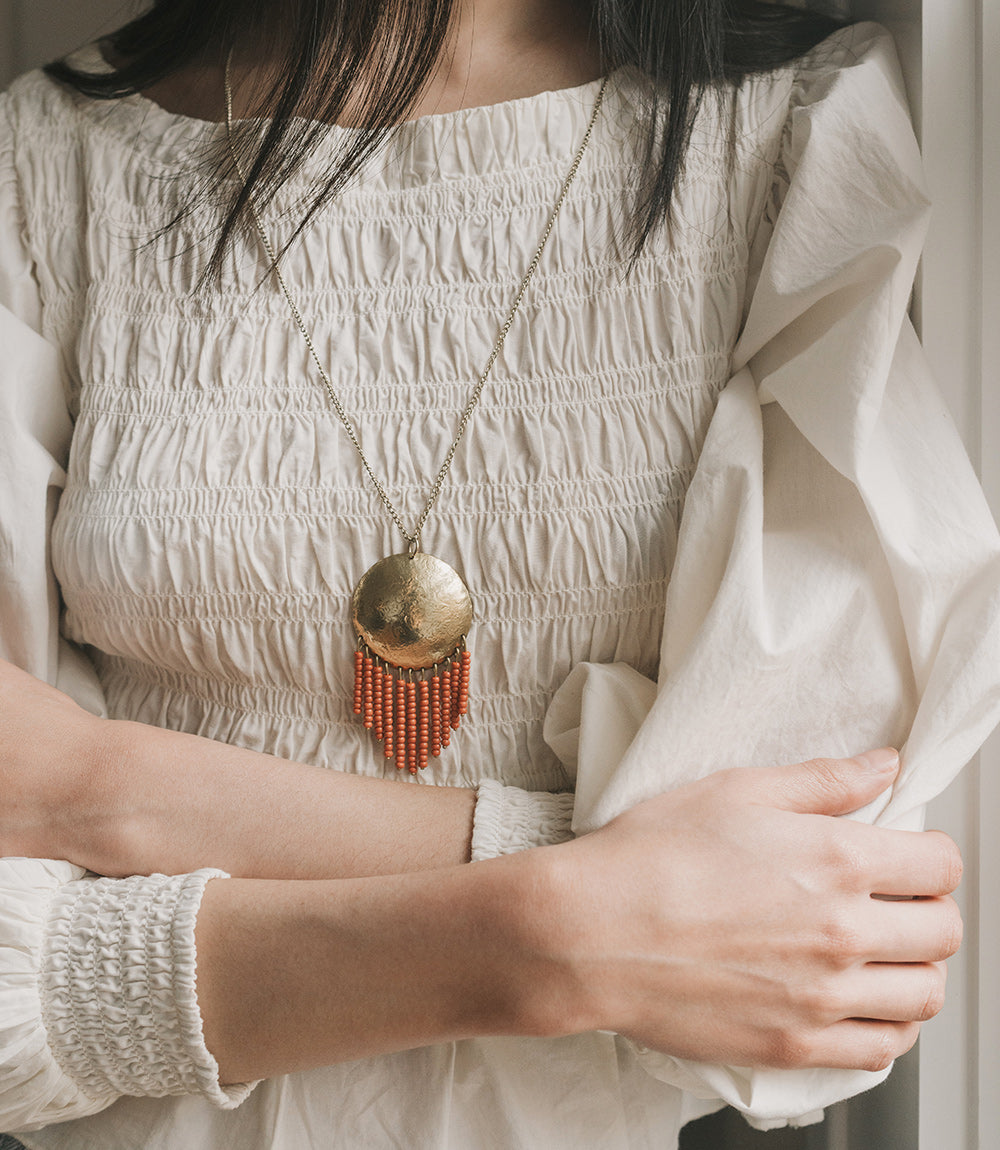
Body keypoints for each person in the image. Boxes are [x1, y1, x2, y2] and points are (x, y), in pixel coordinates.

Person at [0, 0, 996, 1147]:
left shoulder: (792, 129)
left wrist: (102, 789)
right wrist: (577, 919)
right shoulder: (47, 163)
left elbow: (820, 927)